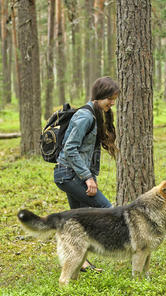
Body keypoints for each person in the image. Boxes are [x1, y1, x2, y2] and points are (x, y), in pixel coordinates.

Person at [53, 76, 119, 271]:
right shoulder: (86, 116)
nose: (112, 103)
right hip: (69, 175)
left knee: (77, 222)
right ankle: (127, 249)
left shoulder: (96, 114)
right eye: (110, 98)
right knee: (108, 210)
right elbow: (70, 148)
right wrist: (88, 177)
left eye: (114, 99)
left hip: (72, 174)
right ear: (99, 96)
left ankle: (80, 262)